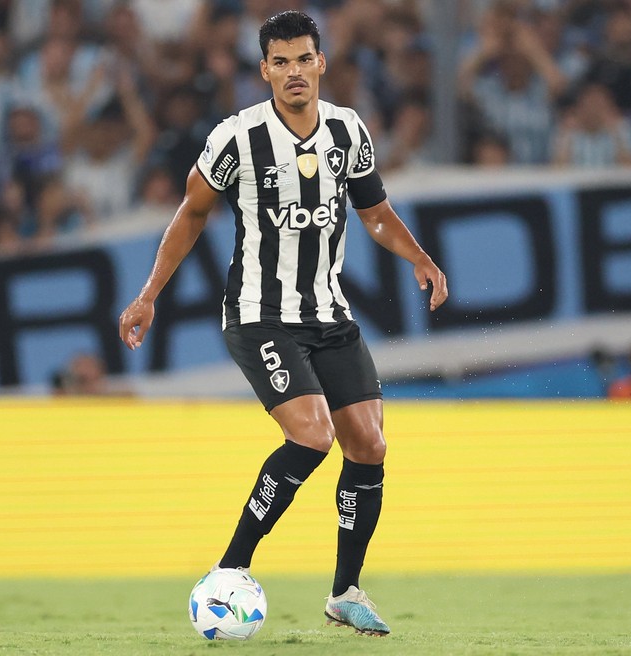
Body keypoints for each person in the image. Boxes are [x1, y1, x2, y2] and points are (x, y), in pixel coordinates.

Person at [118, 10, 447, 637]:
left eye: (303, 59)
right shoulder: (236, 138)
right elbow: (191, 212)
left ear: (321, 63)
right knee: (313, 434)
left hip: (329, 314)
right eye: (281, 61)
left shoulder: (348, 131)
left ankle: (345, 592)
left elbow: (375, 213)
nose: (294, 71)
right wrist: (148, 295)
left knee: (369, 445)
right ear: (264, 70)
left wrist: (420, 257)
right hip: (259, 315)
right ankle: (229, 567)